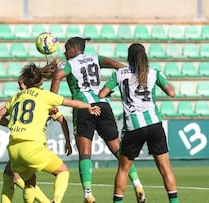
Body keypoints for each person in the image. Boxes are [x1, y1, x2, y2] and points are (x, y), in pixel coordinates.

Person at [50, 37, 145, 203]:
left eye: (66, 49)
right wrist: (130, 75)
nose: (65, 52)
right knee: (119, 150)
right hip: (103, 105)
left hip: (84, 107)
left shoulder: (70, 63)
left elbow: (58, 76)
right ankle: (137, 184)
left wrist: (52, 101)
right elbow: (115, 64)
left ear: (74, 48)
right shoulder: (95, 58)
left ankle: (88, 194)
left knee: (85, 153)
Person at [0, 63, 101, 203]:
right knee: (62, 171)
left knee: (28, 182)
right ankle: (55, 201)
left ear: (25, 82)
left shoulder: (16, 97)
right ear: (41, 82)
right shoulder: (45, 96)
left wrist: (15, 126)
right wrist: (88, 106)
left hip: (13, 148)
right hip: (32, 146)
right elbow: (70, 103)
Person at [98, 43, 179, 203]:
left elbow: (102, 94)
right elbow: (171, 92)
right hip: (154, 124)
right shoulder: (154, 72)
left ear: (129, 58)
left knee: (123, 169)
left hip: (133, 126)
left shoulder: (119, 73)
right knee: (165, 169)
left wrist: (117, 91)